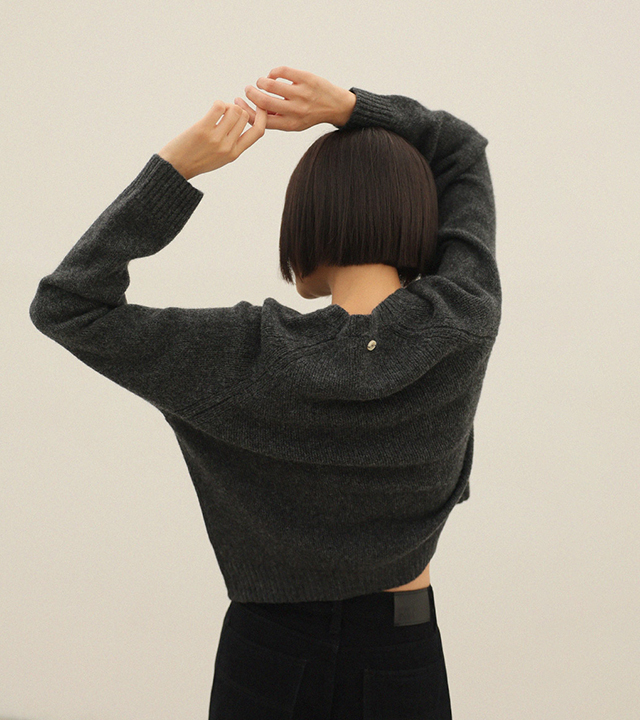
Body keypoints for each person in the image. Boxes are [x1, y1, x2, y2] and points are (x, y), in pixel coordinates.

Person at [30, 66, 501, 719]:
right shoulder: (463, 321)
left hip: (269, 652)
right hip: (403, 645)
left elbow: (67, 304)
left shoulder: (243, 354)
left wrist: (176, 169)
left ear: (311, 222)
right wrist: (348, 107)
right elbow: (460, 150)